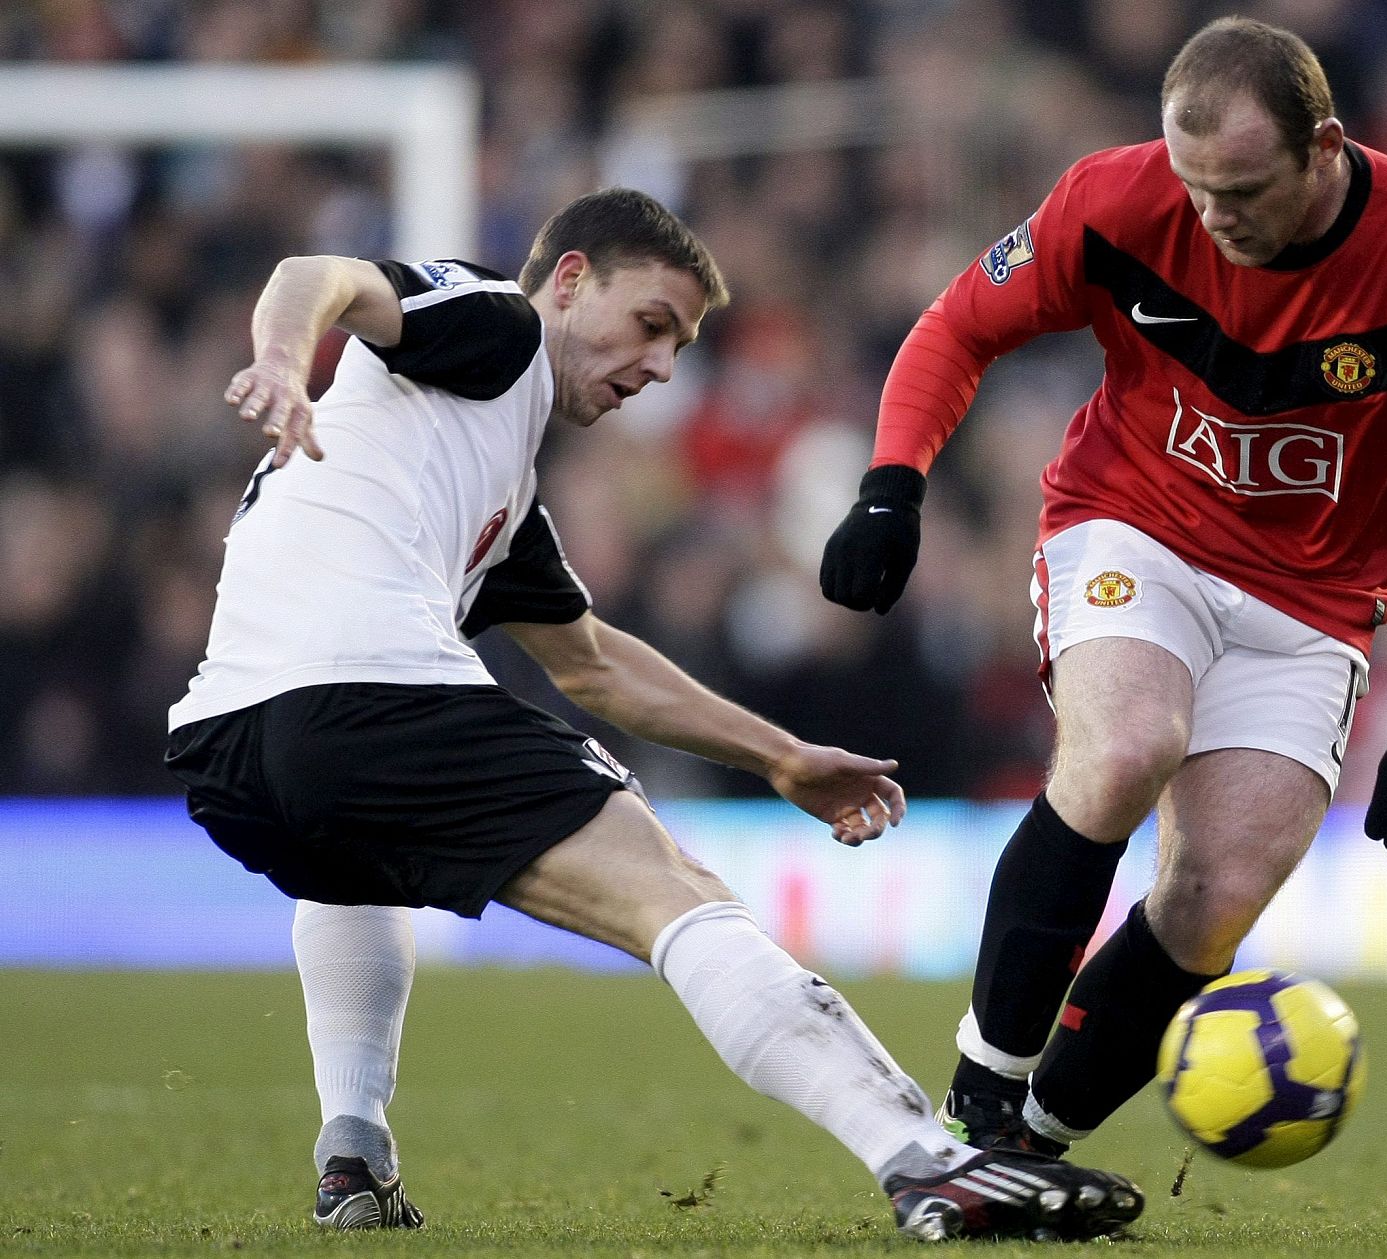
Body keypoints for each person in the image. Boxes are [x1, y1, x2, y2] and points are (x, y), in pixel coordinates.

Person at [164, 187, 1143, 1243]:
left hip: (231, 743)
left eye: (680, 344)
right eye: (651, 324)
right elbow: (323, 275)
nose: (663, 366)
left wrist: (780, 755)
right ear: (573, 280)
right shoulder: (496, 323)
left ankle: (352, 1150)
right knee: (673, 888)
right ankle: (924, 1159)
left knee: (348, 859)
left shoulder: (482, 480)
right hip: (364, 693)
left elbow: (591, 662)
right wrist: (277, 356)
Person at [820, 18, 1387, 1157]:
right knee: (1124, 747)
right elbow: (955, 327)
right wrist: (890, 485)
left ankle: (1030, 1143)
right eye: (1196, 184)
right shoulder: (1114, 201)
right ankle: (979, 1094)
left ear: (1324, 147)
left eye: (1245, 189)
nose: (1215, 215)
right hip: (1135, 526)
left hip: (1315, 599)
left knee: (1219, 886)